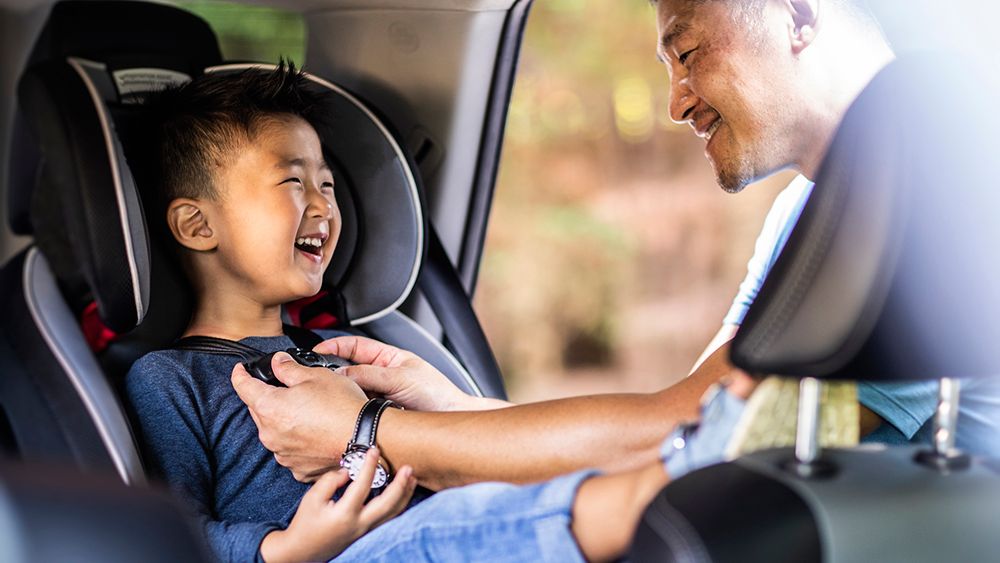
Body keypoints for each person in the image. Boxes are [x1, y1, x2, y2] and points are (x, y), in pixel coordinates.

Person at [231, 0, 999, 495]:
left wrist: (373, 435)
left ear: (796, 16)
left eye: (688, 53)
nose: (674, 103)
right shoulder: (807, 210)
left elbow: (682, 430)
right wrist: (462, 412)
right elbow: (693, 419)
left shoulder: (929, 176)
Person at [124, 61, 683, 563]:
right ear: (198, 226)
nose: (324, 205)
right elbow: (176, 536)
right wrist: (285, 549)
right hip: (360, 551)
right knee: (507, 515)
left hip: (431, 525)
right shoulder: (171, 379)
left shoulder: (342, 348)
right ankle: (678, 500)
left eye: (328, 184)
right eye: (293, 181)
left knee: (505, 503)